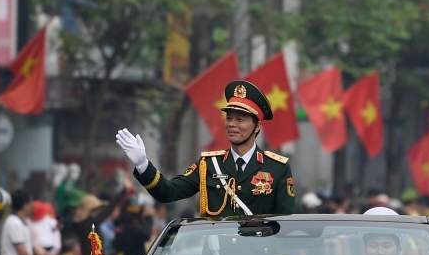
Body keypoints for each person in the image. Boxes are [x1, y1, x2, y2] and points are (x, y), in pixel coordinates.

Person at [116, 79, 297, 217]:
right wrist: (143, 164)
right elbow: (168, 192)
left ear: (257, 126)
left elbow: (286, 224)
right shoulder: (208, 165)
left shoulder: (277, 168)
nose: (232, 124)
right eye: (229, 118)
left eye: (240, 119)